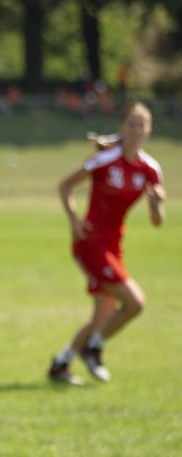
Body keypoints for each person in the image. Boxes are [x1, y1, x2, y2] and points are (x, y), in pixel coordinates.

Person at [48, 102, 165, 385]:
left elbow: (157, 221)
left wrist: (156, 204)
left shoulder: (151, 169)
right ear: (122, 126)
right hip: (90, 242)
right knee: (135, 303)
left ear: (149, 130)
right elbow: (65, 185)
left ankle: (61, 364)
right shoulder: (106, 160)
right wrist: (74, 219)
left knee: (103, 314)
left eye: (142, 125)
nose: (137, 130)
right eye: (132, 124)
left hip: (114, 246)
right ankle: (94, 348)